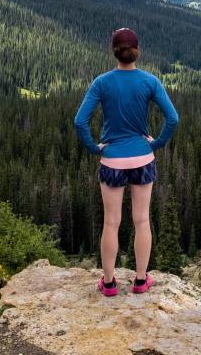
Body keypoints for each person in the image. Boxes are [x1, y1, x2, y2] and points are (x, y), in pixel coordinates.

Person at [74, 27, 179, 296]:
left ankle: (108, 284)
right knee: (142, 220)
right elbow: (173, 119)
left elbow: (80, 121)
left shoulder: (102, 82)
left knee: (111, 222)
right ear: (136, 51)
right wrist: (156, 143)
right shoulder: (149, 81)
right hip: (143, 158)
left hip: (112, 162)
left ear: (114, 51)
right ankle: (141, 280)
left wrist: (94, 147)